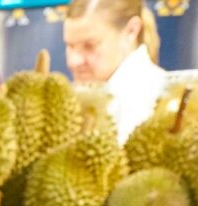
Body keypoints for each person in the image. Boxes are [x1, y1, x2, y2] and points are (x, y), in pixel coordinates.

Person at [62, 0, 165, 132]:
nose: (73, 61)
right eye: (70, 46)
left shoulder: (154, 101)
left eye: (89, 46)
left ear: (131, 31)